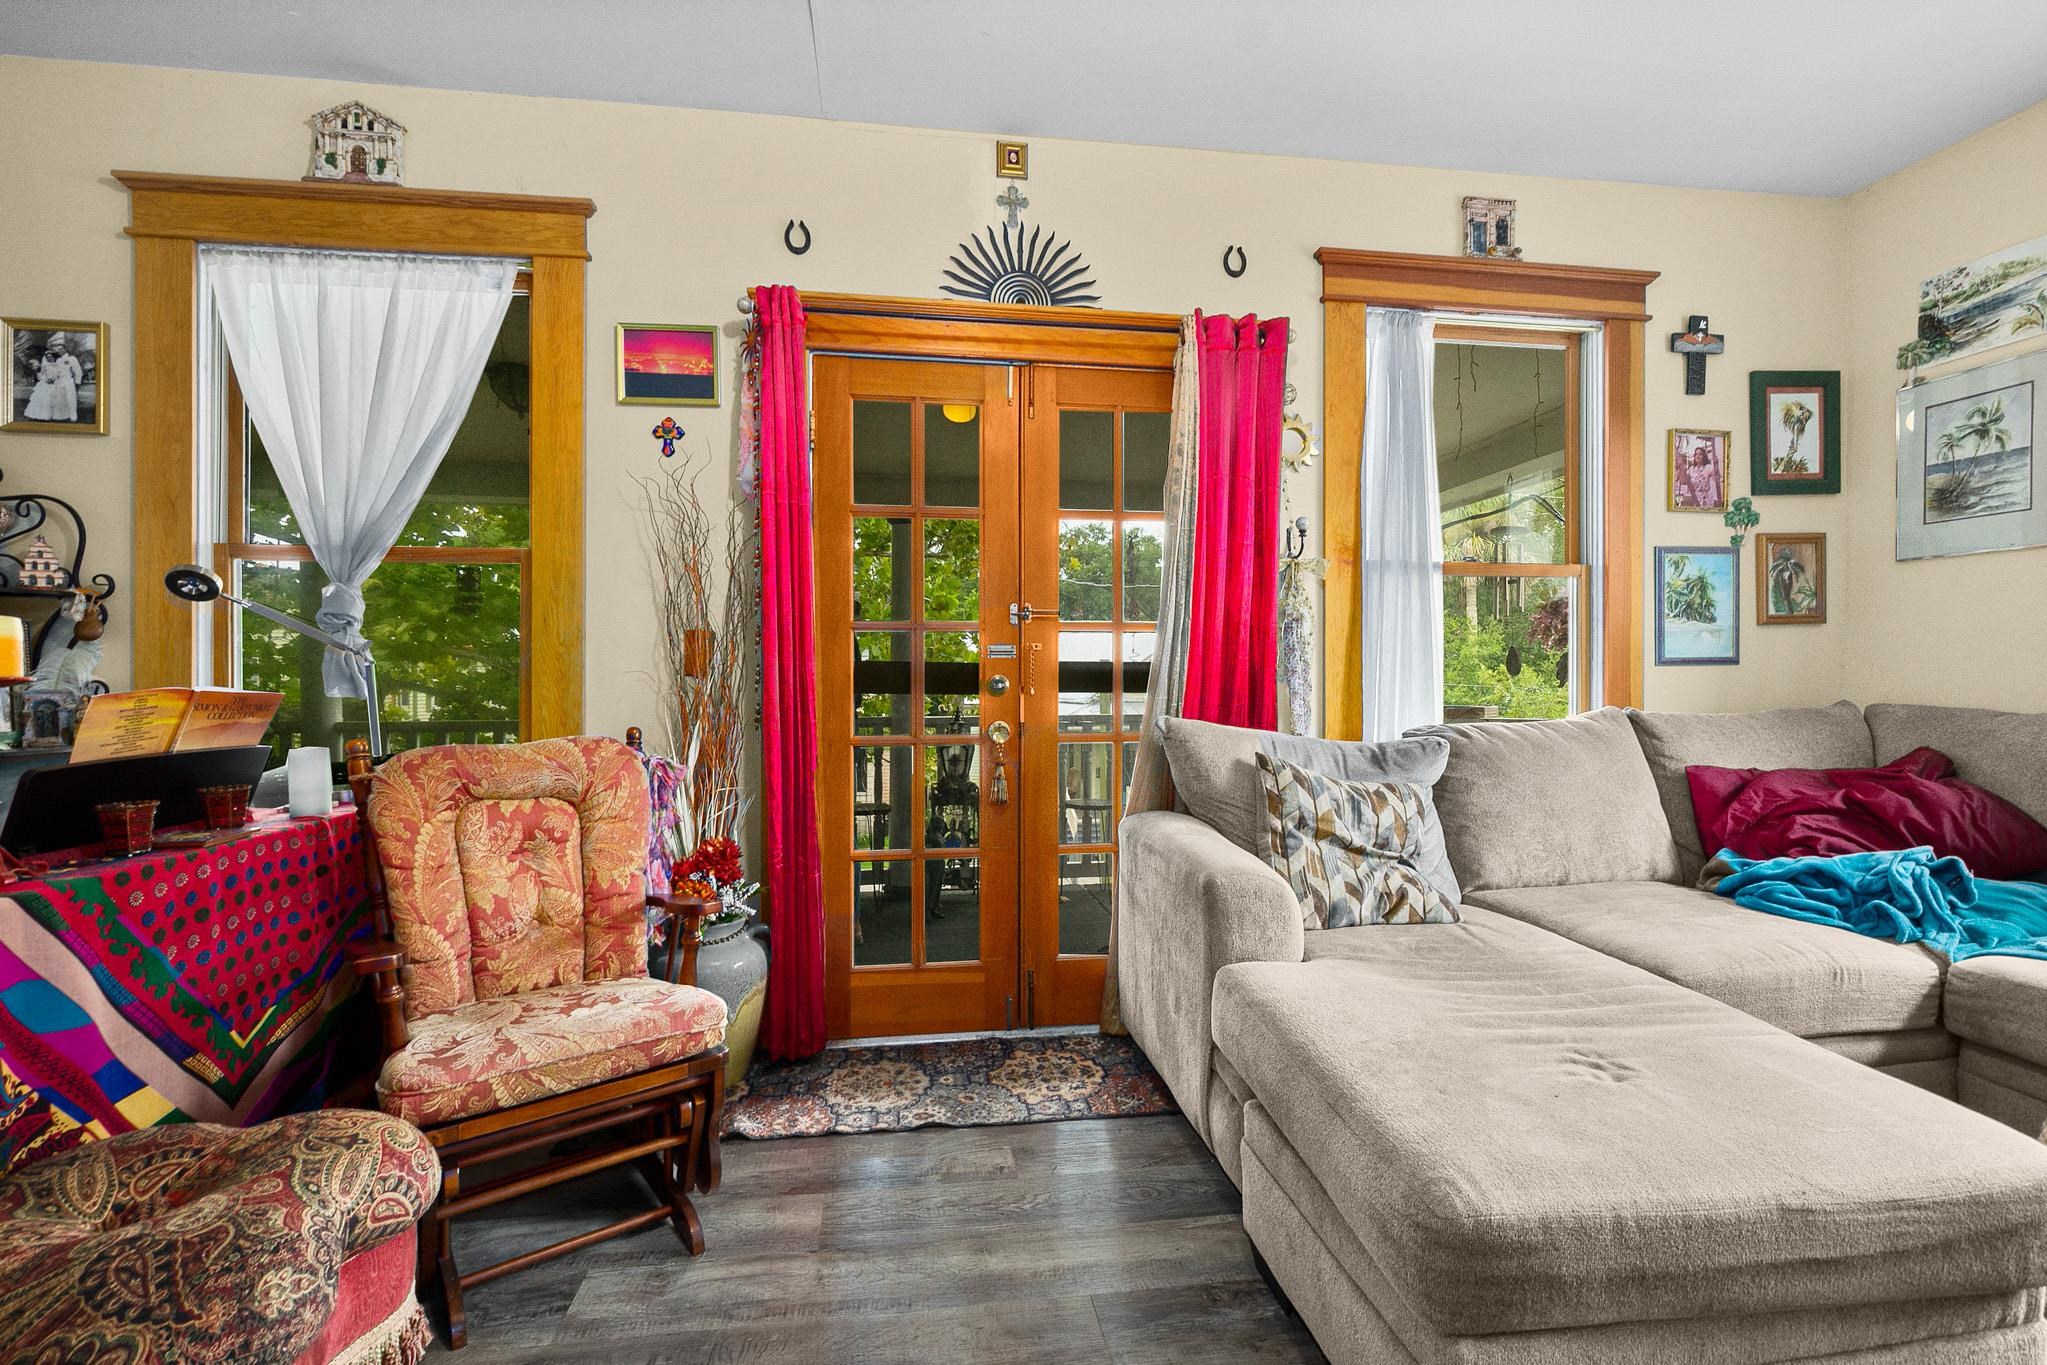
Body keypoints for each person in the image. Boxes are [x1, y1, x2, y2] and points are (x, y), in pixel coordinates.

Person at [23, 335, 82, 422]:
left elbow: (78, 372)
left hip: (68, 381)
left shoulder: (71, 358)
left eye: (60, 347)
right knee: (57, 400)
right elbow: (47, 370)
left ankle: (73, 418)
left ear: (65, 348)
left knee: (71, 398)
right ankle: (58, 416)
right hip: (57, 382)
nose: (58, 349)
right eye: (56, 347)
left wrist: (77, 384)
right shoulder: (54, 358)